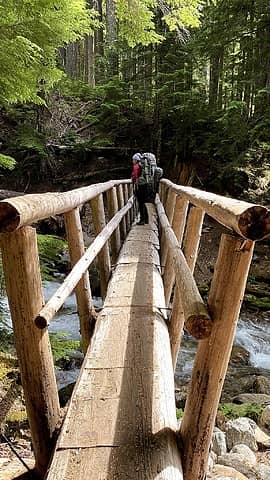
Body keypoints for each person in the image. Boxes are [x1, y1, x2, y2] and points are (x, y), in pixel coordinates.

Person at [131, 153, 149, 225]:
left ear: (136, 160)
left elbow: (135, 176)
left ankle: (142, 220)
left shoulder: (136, 166)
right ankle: (146, 219)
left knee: (141, 203)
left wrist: (132, 179)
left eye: (133, 159)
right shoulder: (143, 166)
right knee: (143, 202)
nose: (132, 161)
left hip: (140, 186)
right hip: (145, 185)